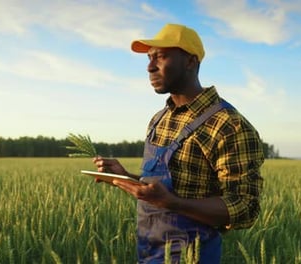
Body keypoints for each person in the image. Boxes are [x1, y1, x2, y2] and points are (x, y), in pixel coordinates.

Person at [93, 23, 264, 263]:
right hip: (148, 254)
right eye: (150, 58)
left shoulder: (229, 125)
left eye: (161, 57)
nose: (150, 67)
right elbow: (160, 190)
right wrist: (125, 178)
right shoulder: (159, 119)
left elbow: (245, 208)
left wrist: (173, 203)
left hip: (193, 257)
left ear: (191, 62)